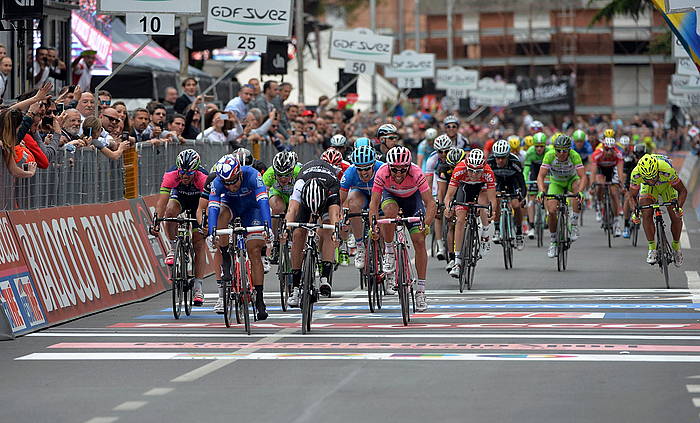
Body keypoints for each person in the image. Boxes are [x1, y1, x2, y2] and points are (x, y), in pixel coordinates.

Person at [369, 146, 436, 311]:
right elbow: (374, 204)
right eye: (395, 169)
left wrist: (425, 224)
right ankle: (390, 250)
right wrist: (374, 225)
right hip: (390, 197)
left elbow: (431, 204)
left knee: (419, 241)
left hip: (413, 201)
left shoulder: (417, 173)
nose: (398, 173)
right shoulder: (382, 172)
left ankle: (420, 291)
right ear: (389, 166)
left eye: (402, 169)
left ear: (409, 167)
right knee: (389, 212)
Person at [207, 155, 272, 319]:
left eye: (234, 182)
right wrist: (211, 232)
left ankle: (259, 299)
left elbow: (264, 202)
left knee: (254, 250)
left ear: (240, 174)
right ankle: (226, 257)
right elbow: (213, 207)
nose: (231, 187)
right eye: (226, 184)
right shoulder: (218, 182)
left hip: (253, 208)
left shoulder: (252, 175)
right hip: (231, 206)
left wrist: (268, 227)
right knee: (221, 214)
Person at [153, 150, 209, 305]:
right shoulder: (171, 175)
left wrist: (205, 225)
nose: (184, 176)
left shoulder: (203, 178)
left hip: (199, 202)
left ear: (196, 170)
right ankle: (173, 248)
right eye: (182, 172)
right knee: (170, 211)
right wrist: (156, 221)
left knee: (198, 243)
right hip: (180, 198)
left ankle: (198, 287)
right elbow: (162, 202)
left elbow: (207, 207)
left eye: (189, 173)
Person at [284, 158, 342, 304]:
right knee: (298, 234)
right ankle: (295, 287)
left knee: (328, 228)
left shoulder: (332, 186)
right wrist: (287, 228)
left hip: (325, 201)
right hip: (306, 201)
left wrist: (336, 232)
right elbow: (292, 209)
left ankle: (325, 277)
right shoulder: (300, 184)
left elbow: (335, 214)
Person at [628, 154, 687, 266]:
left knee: (675, 215)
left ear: (657, 170)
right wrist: (635, 212)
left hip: (667, 187)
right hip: (649, 190)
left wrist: (679, 207)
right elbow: (631, 196)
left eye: (654, 177)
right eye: (648, 179)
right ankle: (652, 249)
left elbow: (683, 191)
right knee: (646, 212)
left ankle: (676, 246)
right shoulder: (636, 173)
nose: (651, 180)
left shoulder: (666, 169)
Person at [536, 134, 586, 258]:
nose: (562, 153)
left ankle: (573, 225)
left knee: (576, 189)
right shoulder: (549, 156)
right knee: (552, 211)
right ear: (555, 149)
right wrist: (541, 191)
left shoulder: (574, 155)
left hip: (571, 180)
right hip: (556, 183)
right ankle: (553, 241)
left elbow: (583, 176)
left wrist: (580, 191)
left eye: (565, 150)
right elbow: (540, 176)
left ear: (569, 149)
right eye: (559, 150)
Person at [340, 145, 384, 269]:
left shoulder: (382, 168)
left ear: (373, 164)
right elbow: (340, 199)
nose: (363, 172)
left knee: (384, 218)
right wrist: (342, 214)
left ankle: (386, 250)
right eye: (360, 169)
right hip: (362, 195)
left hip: (380, 195)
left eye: (367, 168)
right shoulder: (350, 172)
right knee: (352, 203)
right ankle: (359, 245)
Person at [488, 139, 527, 250]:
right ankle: (497, 230)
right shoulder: (490, 162)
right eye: (497, 157)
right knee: (496, 200)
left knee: (516, 205)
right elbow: (485, 182)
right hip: (498, 182)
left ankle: (519, 233)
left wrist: (522, 197)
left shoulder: (515, 162)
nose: (500, 160)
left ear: (508, 156)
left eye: (503, 157)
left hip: (512, 182)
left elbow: (522, 183)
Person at [264, 151, 301, 260]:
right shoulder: (269, 174)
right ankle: (275, 241)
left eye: (287, 175)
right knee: (277, 208)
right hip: (278, 195)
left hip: (295, 196)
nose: (283, 179)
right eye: (279, 175)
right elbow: (261, 195)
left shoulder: (299, 172)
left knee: (296, 211)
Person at [424, 134, 453, 263]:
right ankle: (440, 246)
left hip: (453, 179)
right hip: (438, 180)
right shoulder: (432, 160)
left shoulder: (455, 156)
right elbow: (428, 183)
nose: (443, 154)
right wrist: (430, 200)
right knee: (438, 212)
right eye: (440, 151)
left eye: (446, 151)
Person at [590, 137, 625, 236]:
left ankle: (617, 223)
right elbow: (593, 172)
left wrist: (621, 185)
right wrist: (592, 186)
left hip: (612, 171)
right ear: (603, 147)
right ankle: (598, 204)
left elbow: (620, 172)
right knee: (600, 185)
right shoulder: (597, 154)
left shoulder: (618, 154)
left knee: (614, 193)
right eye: (607, 149)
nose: (609, 152)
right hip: (601, 170)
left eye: (611, 149)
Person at [523, 132, 550, 239]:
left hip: (546, 173)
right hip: (534, 172)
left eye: (541, 146)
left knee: (546, 191)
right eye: (537, 146)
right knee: (531, 199)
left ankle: (547, 213)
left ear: (545, 146)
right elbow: (526, 169)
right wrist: (525, 180)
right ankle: (531, 226)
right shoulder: (530, 152)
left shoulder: (549, 152)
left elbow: (552, 169)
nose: (539, 149)